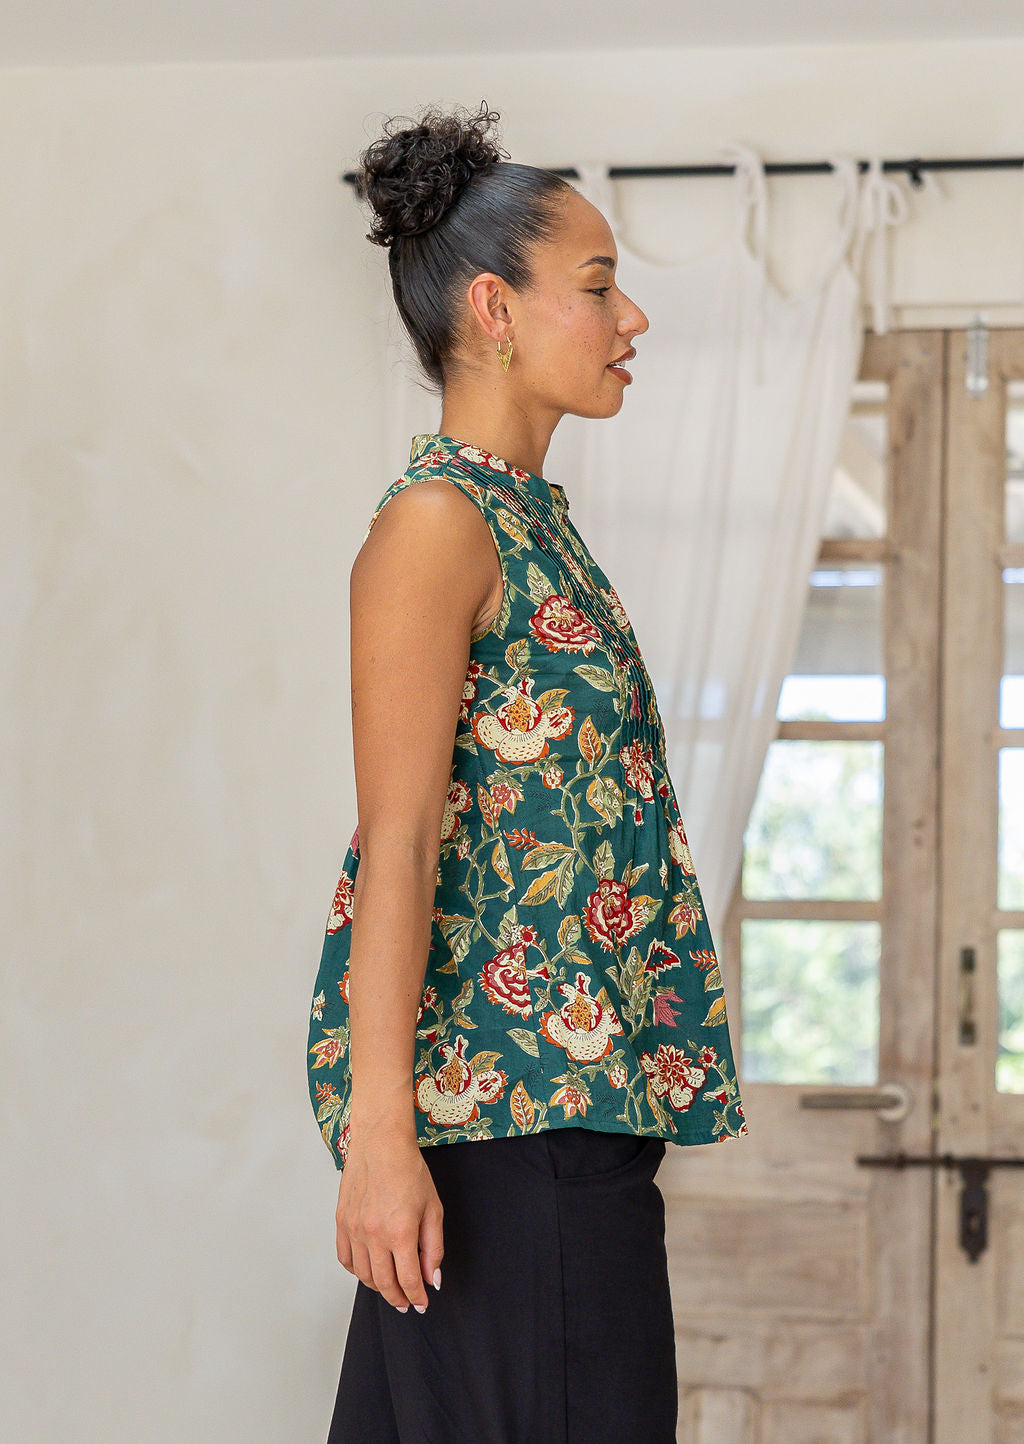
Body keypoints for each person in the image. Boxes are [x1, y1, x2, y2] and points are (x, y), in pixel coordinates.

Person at [306, 99, 748, 1443]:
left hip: (559, 1128)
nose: (633, 322)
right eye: (600, 287)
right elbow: (403, 840)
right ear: (493, 308)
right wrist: (383, 1138)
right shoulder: (439, 527)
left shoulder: (529, 526)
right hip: (510, 1142)